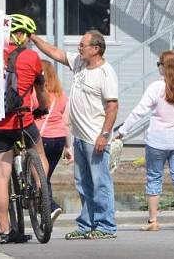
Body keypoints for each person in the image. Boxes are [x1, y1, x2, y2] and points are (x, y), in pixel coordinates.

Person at [31, 30, 118, 240]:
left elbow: (113, 107)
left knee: (100, 181)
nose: (79, 48)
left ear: (95, 49)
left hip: (95, 136)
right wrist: (33, 38)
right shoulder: (80, 63)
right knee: (83, 183)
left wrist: (104, 135)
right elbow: (55, 53)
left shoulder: (106, 73)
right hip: (79, 136)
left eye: (82, 45)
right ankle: (86, 224)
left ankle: (106, 225)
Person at [116, 50, 174, 231]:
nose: (158, 68)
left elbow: (139, 111)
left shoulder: (156, 87)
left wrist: (122, 131)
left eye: (158, 64)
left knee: (154, 178)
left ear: (165, 66)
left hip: (157, 141)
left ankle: (153, 221)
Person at [0, 13, 50, 244]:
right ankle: (44, 198)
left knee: (2, 176)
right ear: (21, 35)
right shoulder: (31, 57)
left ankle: (4, 231)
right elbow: (41, 91)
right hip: (23, 120)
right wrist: (43, 108)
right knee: (40, 154)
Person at [31, 60, 74, 224]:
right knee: (45, 177)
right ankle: (46, 217)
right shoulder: (61, 95)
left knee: (39, 177)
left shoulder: (35, 93)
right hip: (59, 139)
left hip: (41, 138)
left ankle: (51, 206)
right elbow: (66, 121)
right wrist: (68, 147)